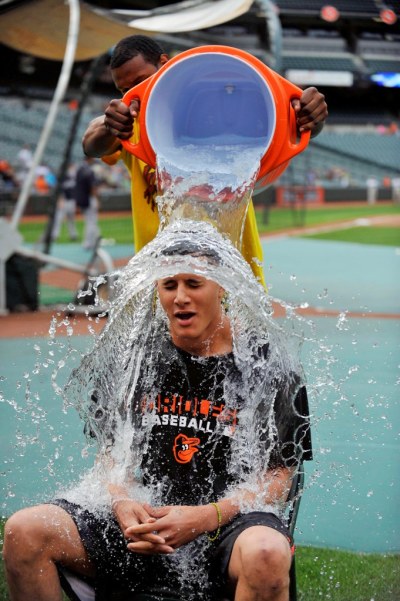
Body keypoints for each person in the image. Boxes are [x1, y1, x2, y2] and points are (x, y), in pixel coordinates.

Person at [3, 239, 312, 601]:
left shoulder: (267, 365)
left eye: (193, 284)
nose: (180, 297)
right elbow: (113, 455)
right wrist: (120, 502)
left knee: (267, 553)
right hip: (142, 524)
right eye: (169, 285)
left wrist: (206, 516)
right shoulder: (134, 357)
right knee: (23, 532)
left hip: (226, 527)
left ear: (221, 288)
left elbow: (279, 476)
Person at [82, 35, 328, 287]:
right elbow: (91, 144)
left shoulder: (211, 111)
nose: (133, 96)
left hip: (233, 280)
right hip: (162, 283)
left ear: (164, 63)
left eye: (141, 82)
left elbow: (292, 124)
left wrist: (312, 117)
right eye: (124, 91)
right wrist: (109, 124)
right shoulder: (131, 125)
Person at [75, 156, 100, 250]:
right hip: (89, 199)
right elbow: (93, 187)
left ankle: (93, 241)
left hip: (82, 199)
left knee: (89, 221)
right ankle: (89, 243)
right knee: (91, 222)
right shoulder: (89, 171)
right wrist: (96, 199)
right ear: (89, 159)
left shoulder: (79, 170)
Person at [51, 164, 78, 241]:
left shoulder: (73, 178)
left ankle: (73, 235)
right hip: (63, 200)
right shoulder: (62, 177)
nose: (72, 169)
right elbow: (59, 190)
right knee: (58, 219)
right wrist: (60, 200)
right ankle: (54, 235)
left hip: (71, 201)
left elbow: (74, 191)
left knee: (71, 219)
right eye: (71, 167)